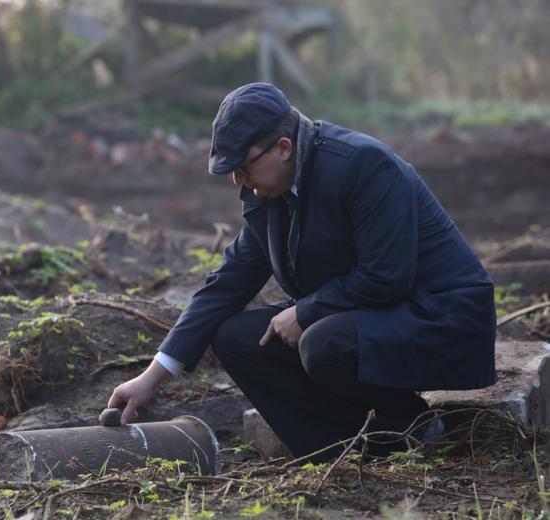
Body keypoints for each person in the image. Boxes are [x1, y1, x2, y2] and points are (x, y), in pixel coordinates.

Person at [107, 82, 496, 460]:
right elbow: (225, 285)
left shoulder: (362, 165)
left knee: (322, 342)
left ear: (283, 147)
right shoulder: (269, 193)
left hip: (442, 317)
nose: (238, 180)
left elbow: (387, 276)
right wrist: (151, 377)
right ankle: (342, 447)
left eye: (243, 166)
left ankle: (415, 426)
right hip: (377, 317)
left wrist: (307, 311)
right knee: (236, 338)